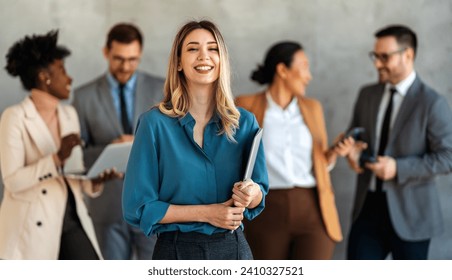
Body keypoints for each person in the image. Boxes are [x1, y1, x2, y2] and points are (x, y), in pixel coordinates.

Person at [122, 20, 269, 260]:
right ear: (178, 62)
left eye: (212, 49)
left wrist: (251, 193)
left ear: (222, 60)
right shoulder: (154, 124)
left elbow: (260, 192)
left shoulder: (245, 123)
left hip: (232, 249)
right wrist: (207, 213)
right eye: (193, 49)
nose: (204, 56)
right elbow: (138, 207)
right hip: (175, 251)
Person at [0, 30, 120, 260]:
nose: (70, 79)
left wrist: (94, 181)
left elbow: (72, 173)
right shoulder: (14, 117)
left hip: (71, 216)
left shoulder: (69, 114)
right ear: (45, 77)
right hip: (31, 224)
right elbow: (12, 181)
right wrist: (56, 158)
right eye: (63, 71)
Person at [235, 41, 353, 260]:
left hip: (312, 207)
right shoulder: (246, 105)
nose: (309, 76)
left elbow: (318, 162)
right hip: (265, 208)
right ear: (282, 70)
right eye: (304, 66)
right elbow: (233, 156)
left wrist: (334, 153)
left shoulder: (313, 108)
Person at [345, 25, 452, 260]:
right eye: (375, 56)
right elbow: (354, 136)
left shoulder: (432, 102)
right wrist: (352, 153)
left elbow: (447, 158)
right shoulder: (367, 94)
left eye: (385, 57)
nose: (377, 63)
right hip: (368, 208)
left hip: (413, 214)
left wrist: (398, 168)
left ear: (408, 55)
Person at [72, 23, 164, 260]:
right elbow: (76, 155)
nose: (126, 66)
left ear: (140, 53)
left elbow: (175, 144)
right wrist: (110, 149)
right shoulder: (83, 96)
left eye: (133, 59)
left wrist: (141, 143)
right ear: (106, 53)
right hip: (107, 207)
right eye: (118, 59)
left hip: (153, 203)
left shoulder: (163, 89)